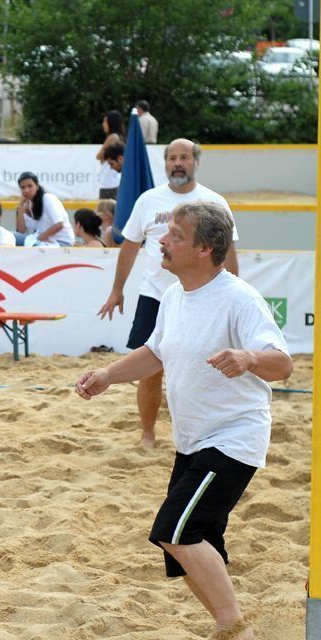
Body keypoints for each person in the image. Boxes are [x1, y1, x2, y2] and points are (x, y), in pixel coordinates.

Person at [76, 201, 292, 640]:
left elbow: (283, 364)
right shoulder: (174, 295)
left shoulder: (239, 298)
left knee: (173, 531)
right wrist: (107, 377)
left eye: (175, 234)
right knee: (187, 553)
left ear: (205, 249)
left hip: (234, 438)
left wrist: (249, 358)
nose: (162, 240)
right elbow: (155, 353)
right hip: (193, 440)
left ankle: (234, 631)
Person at [98, 139, 240, 448]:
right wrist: (117, 289)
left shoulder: (214, 202)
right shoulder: (148, 200)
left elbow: (229, 252)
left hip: (201, 299)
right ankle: (148, 434)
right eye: (172, 157)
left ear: (195, 162)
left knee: (204, 367)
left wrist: (229, 296)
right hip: (155, 296)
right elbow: (130, 246)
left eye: (184, 157)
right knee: (149, 369)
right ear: (165, 164)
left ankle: (204, 432)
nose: (178, 162)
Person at [14, 171, 74, 247]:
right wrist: (20, 207)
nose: (26, 190)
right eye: (23, 187)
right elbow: (21, 231)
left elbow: (59, 224)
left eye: (30, 186)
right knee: (12, 237)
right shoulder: (29, 204)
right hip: (42, 241)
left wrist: (40, 238)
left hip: (62, 242)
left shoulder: (48, 198)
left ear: (37, 186)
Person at [96, 111, 125, 200]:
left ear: (111, 122)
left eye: (105, 121)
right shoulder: (120, 137)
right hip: (113, 180)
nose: (103, 124)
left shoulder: (112, 137)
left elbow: (98, 156)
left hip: (108, 181)